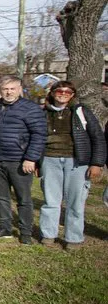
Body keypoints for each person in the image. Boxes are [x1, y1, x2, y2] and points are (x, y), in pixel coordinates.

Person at [38, 81, 105, 249]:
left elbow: (97, 138)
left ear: (72, 95)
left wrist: (96, 163)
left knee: (75, 202)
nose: (63, 94)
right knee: (50, 201)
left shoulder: (81, 112)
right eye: (60, 91)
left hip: (77, 161)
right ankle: (48, 235)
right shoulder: (42, 112)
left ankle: (73, 238)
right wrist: (36, 161)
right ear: (52, 93)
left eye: (68, 92)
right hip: (50, 159)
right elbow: (35, 137)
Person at [0, 75, 46, 244]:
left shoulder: (30, 108)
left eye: (12, 88)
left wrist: (31, 158)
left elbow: (39, 135)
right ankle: (5, 227)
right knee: (2, 196)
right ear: (0, 90)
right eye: (5, 89)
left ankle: (25, 231)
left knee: (23, 198)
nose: (9, 92)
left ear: (19, 89)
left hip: (19, 161)